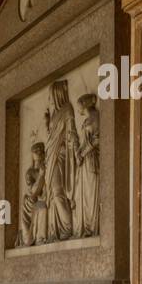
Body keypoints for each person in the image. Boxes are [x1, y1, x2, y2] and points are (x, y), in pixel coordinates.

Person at [42, 80, 78, 241]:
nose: (49, 99)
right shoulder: (55, 113)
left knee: (58, 193)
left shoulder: (67, 109)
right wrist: (46, 123)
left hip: (60, 156)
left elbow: (71, 132)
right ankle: (55, 230)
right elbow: (50, 136)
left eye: (50, 96)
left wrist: (74, 148)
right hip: (50, 156)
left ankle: (68, 226)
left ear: (57, 94)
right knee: (51, 195)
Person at [73, 92, 100, 237]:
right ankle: (85, 228)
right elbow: (85, 142)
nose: (78, 110)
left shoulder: (95, 118)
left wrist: (82, 153)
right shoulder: (86, 121)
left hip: (91, 161)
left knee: (91, 195)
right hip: (84, 162)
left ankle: (92, 227)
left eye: (79, 107)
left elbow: (97, 140)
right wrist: (78, 152)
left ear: (84, 105)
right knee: (83, 196)